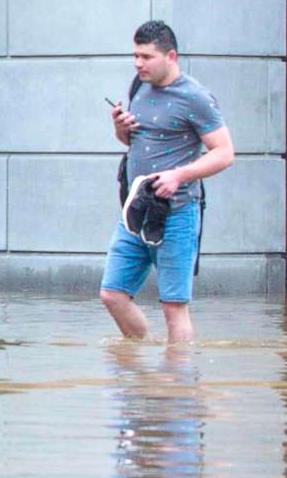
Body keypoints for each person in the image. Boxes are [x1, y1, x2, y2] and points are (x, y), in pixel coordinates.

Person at [101, 20, 235, 344]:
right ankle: (138, 365)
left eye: (146, 57)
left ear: (170, 56)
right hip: (135, 210)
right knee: (112, 295)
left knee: (174, 308)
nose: (138, 64)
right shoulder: (138, 86)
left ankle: (177, 386)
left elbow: (225, 153)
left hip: (177, 213)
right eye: (135, 55)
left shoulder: (196, 98)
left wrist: (179, 175)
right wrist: (120, 126)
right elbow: (129, 142)